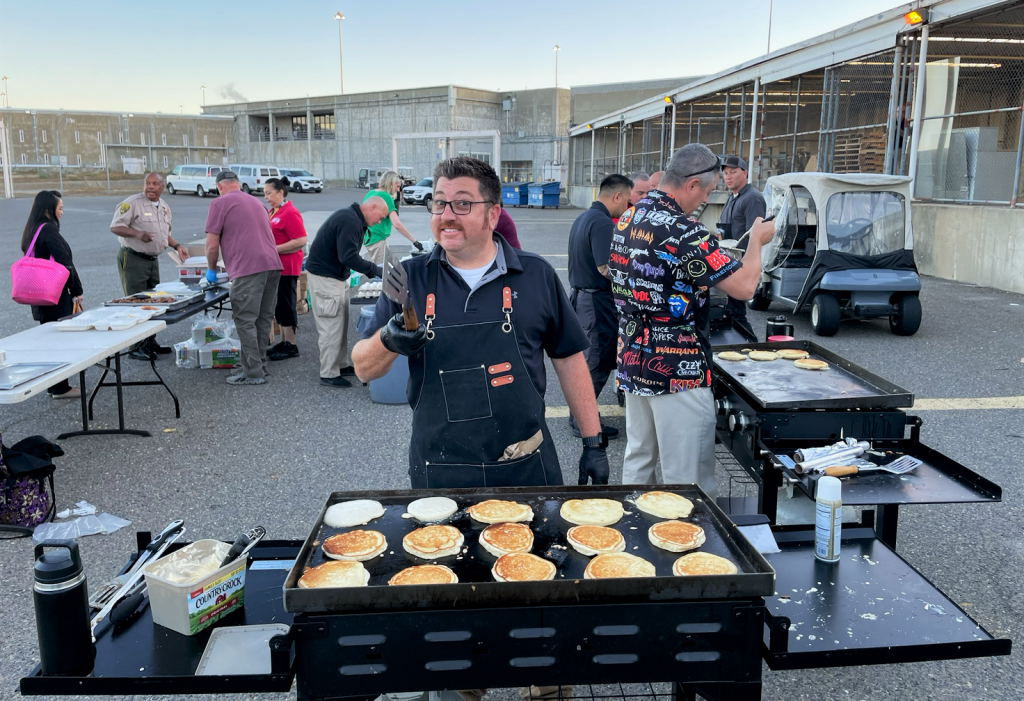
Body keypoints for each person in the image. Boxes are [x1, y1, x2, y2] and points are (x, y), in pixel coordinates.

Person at [352, 156, 610, 491]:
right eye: (439, 203)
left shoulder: (535, 275)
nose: (446, 215)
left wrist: (593, 442)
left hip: (525, 467)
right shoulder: (409, 278)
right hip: (440, 472)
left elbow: (570, 360)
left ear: (492, 214)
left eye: (461, 203)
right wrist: (388, 340)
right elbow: (363, 369)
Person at [609, 144, 775, 497]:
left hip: (634, 358)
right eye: (708, 191)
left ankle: (632, 532)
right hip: (677, 365)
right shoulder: (686, 231)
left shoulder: (630, 216)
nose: (704, 200)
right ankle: (688, 544)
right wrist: (757, 241)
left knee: (639, 458)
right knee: (686, 478)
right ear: (692, 185)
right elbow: (745, 287)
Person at [566, 174, 633, 439]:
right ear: (617, 196)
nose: (627, 207)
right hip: (595, 302)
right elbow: (606, 268)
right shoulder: (603, 223)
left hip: (583, 298)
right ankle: (582, 422)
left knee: (590, 360)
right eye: (627, 201)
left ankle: (580, 416)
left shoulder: (584, 218)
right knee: (596, 362)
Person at [204, 171, 283, 385]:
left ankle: (253, 373)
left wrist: (211, 271)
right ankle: (259, 366)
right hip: (272, 265)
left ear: (219, 186)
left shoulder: (219, 204)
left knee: (245, 320)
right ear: (237, 184)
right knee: (262, 319)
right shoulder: (257, 202)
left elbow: (212, 245)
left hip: (248, 269)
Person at [305, 197, 390, 387]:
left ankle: (340, 365)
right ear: (372, 207)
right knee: (330, 326)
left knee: (340, 324)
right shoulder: (350, 220)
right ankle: (328, 373)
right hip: (325, 279)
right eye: (380, 217)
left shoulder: (351, 218)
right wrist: (375, 270)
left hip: (334, 277)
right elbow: (348, 256)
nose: (379, 222)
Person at [109, 172, 189, 361]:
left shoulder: (164, 207)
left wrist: (177, 246)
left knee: (153, 302)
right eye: (147, 183)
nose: (150, 187)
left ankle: (149, 341)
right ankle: (136, 347)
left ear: (162, 187)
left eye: (155, 184)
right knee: (136, 302)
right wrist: (137, 233)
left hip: (152, 260)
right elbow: (115, 226)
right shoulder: (132, 203)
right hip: (133, 258)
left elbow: (163, 234)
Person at [19, 190, 82, 398]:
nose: (62, 212)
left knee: (49, 339)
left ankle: (53, 384)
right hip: (55, 293)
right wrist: (76, 290)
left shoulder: (32, 229)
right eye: (60, 208)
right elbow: (65, 262)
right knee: (59, 341)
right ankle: (60, 387)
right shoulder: (48, 229)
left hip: (39, 293)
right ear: (49, 209)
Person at [716, 156, 766, 336]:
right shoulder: (731, 197)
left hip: (740, 263)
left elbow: (754, 234)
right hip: (726, 261)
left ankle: (753, 347)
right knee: (727, 310)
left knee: (736, 312)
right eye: (726, 173)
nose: (728, 177)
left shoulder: (752, 198)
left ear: (745, 173)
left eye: (733, 172)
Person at [263, 177, 307, 361]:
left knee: (287, 305)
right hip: (275, 266)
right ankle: (284, 341)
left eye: (268, 193)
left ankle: (291, 344)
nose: (265, 197)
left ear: (280, 192)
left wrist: (273, 249)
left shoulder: (290, 212)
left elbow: (301, 240)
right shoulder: (273, 211)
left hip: (287, 267)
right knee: (280, 306)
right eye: (264, 193)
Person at [362, 170, 423, 265]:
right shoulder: (386, 197)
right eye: (397, 186)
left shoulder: (370, 193)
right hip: (378, 239)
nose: (398, 190)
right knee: (381, 272)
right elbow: (397, 224)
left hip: (368, 238)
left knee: (384, 267)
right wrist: (414, 241)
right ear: (390, 184)